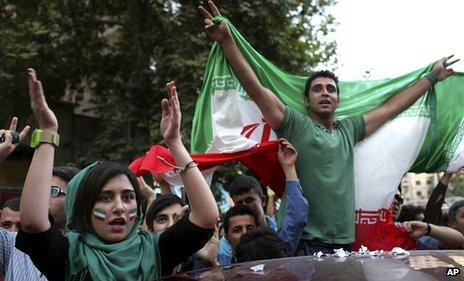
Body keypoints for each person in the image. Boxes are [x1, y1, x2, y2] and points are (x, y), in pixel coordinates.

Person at [198, 0, 458, 254]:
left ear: (338, 100)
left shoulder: (349, 130)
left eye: (331, 89)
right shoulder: (294, 124)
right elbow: (254, 87)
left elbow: (390, 109)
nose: (325, 93)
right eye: (317, 89)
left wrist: (431, 78)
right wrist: (227, 41)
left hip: (346, 242)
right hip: (303, 241)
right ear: (306, 100)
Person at [16, 71, 218, 280]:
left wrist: (174, 143)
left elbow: (206, 217)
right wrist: (48, 133)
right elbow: (33, 223)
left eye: (128, 197)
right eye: (105, 197)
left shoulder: (156, 250)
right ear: (83, 207)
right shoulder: (68, 254)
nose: (120, 207)